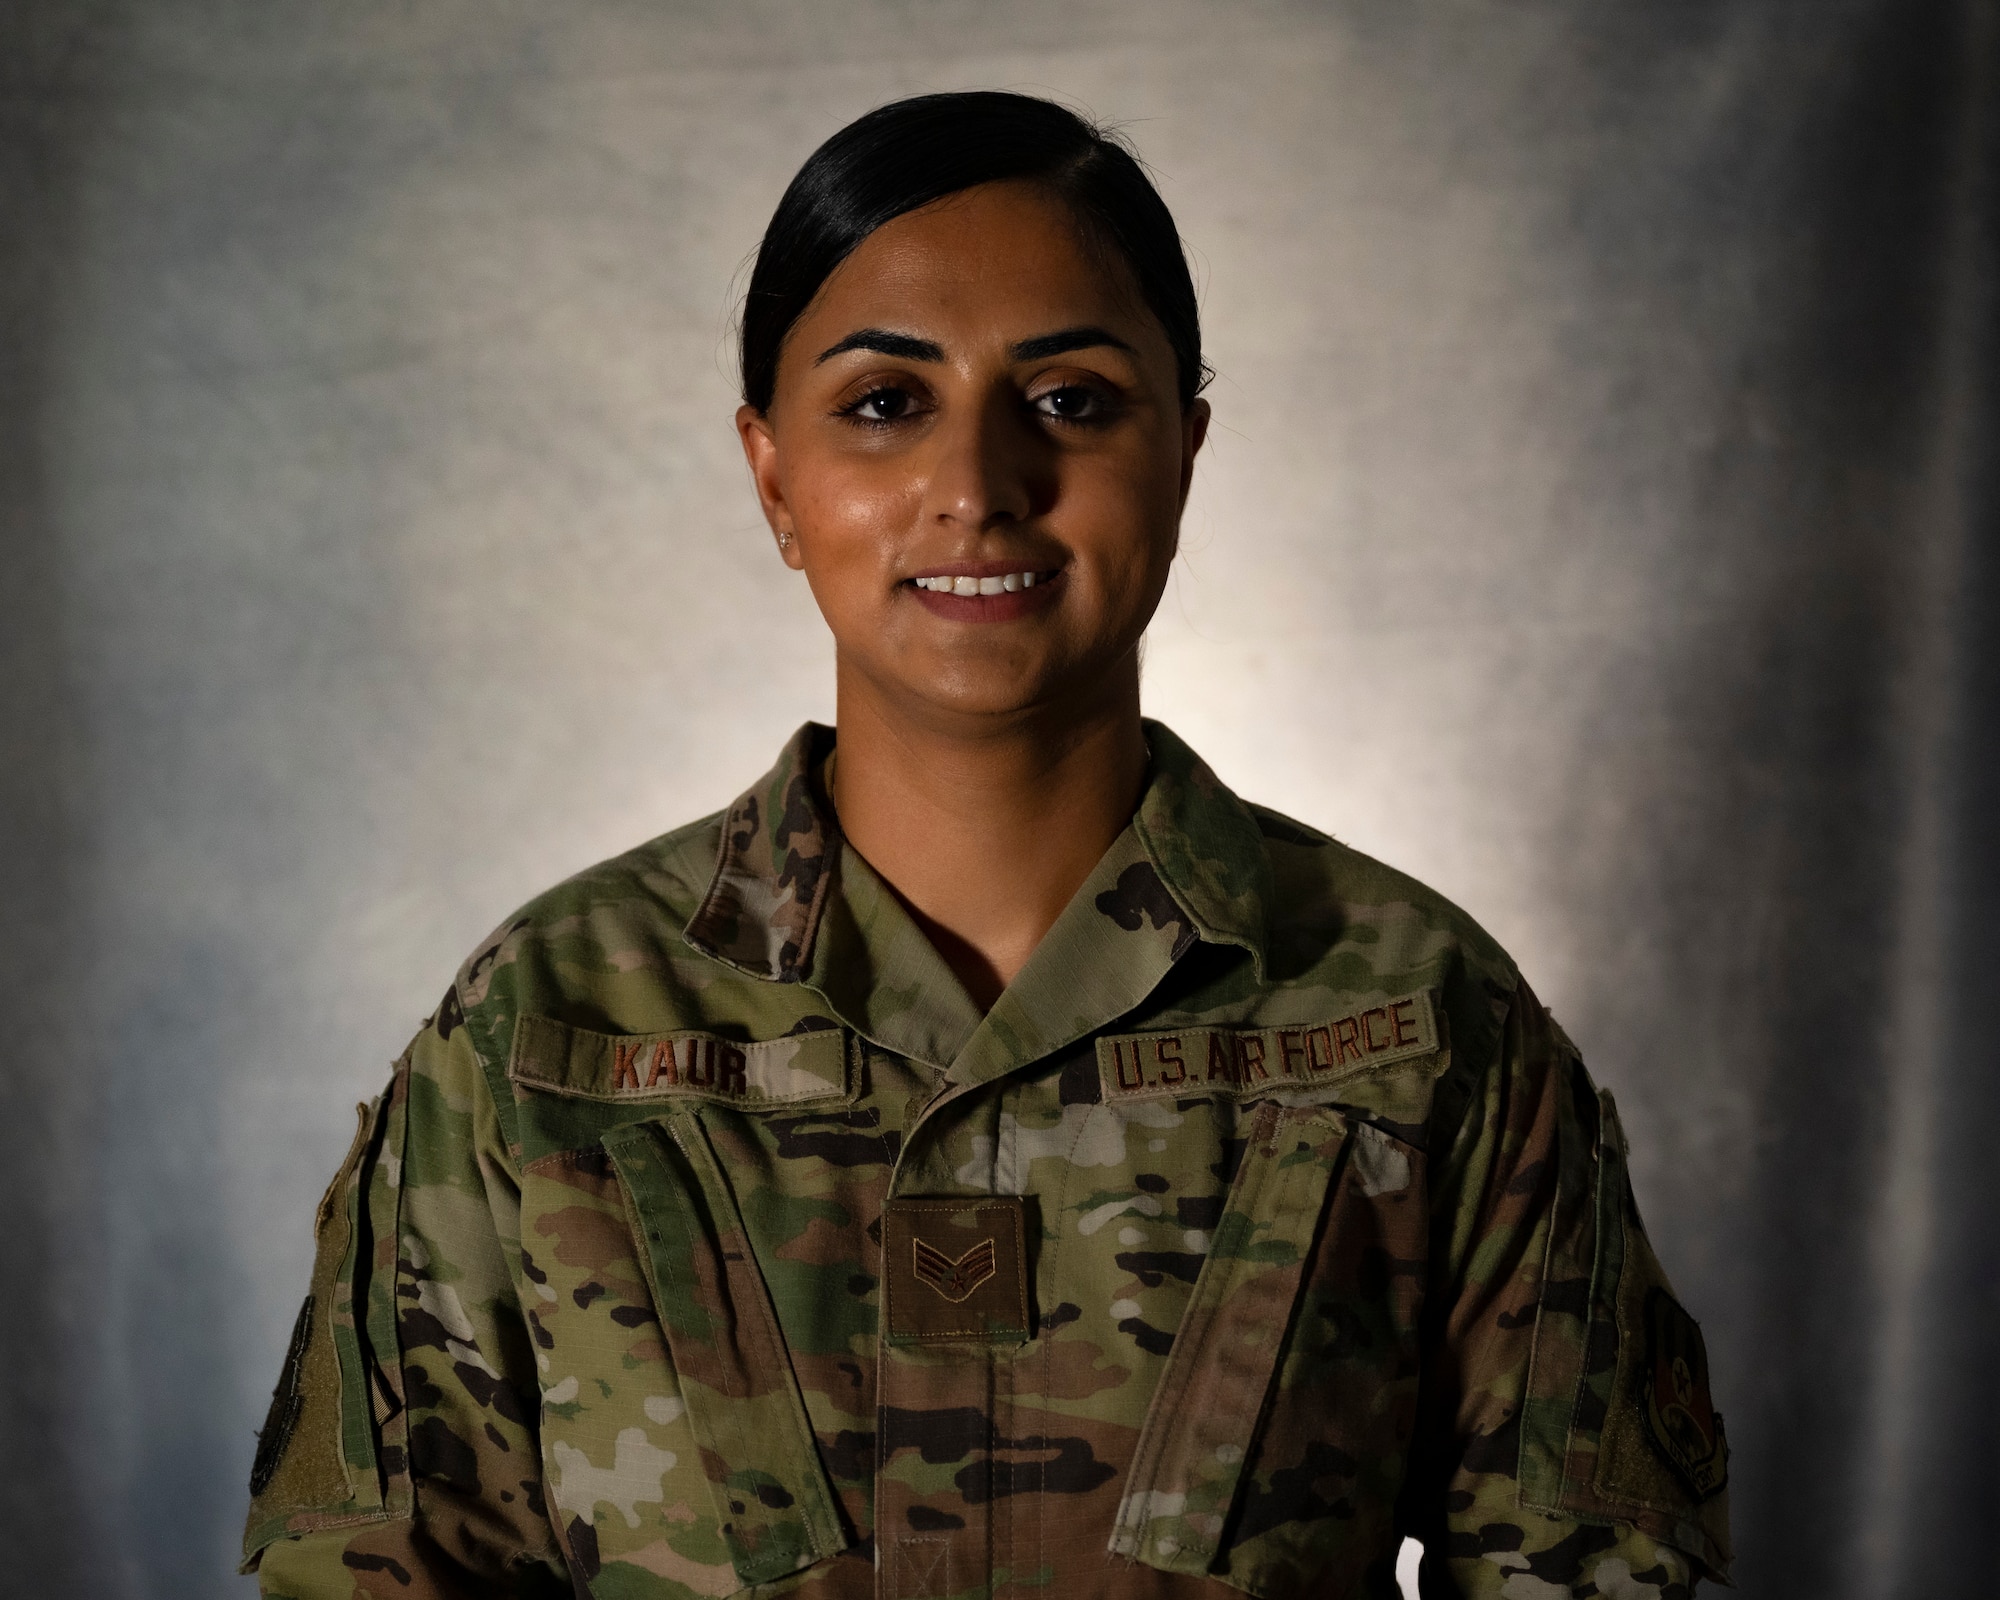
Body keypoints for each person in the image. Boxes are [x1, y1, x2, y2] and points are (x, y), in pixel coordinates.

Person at [242, 91, 1730, 1600]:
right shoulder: (546, 1036)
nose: (980, 485)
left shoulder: (1414, 1021)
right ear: (773, 477)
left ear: (1186, 452)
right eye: (886, 404)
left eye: (1073, 399)